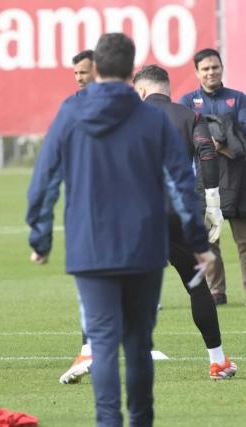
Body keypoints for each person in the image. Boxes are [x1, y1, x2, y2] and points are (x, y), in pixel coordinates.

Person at [27, 33, 215, 426]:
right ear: (132, 71)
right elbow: (181, 183)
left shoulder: (71, 112)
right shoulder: (151, 118)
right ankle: (140, 420)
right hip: (144, 246)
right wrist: (197, 242)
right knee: (137, 341)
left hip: (89, 245)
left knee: (103, 344)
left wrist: (40, 238)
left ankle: (107, 421)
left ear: (95, 69)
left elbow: (44, 179)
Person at [133, 64, 236, 379]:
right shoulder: (189, 116)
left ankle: (99, 352)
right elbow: (207, 154)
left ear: (140, 91)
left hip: (136, 216)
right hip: (178, 213)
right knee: (197, 287)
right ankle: (217, 361)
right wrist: (213, 204)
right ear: (167, 88)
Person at [179, 48, 246, 305]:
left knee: (244, 241)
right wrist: (220, 132)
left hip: (240, 179)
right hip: (206, 180)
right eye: (205, 68)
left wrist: (210, 132)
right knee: (210, 239)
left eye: (215, 67)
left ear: (222, 67)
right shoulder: (187, 101)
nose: (211, 72)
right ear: (197, 72)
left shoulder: (239, 98)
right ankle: (216, 291)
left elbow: (242, 132)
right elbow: (187, 136)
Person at [58, 50, 96, 385]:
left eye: (84, 72)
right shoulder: (72, 105)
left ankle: (91, 348)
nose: (79, 78)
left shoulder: (123, 104)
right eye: (76, 73)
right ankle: (90, 347)